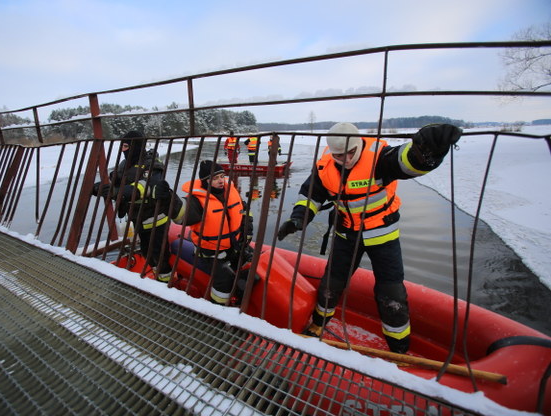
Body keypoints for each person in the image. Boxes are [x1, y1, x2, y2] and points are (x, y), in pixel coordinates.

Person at [277, 122, 462, 353]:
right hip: (346, 234)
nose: (344, 159)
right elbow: (310, 195)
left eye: (350, 153)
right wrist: (298, 219)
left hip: (382, 235)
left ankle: (399, 348)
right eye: (338, 155)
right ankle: (318, 324)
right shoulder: (324, 166)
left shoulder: (379, 158)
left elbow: (406, 162)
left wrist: (426, 150)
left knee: (391, 294)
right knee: (330, 285)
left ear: (358, 145)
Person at [92, 130, 177, 283]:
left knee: (159, 256)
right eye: (122, 146)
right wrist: (102, 188)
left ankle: (166, 284)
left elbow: (144, 187)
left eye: (125, 146)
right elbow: (118, 182)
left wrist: (118, 192)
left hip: (155, 220)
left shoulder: (152, 165)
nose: (122, 150)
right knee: (147, 252)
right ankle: (158, 276)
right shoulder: (125, 164)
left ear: (135, 146)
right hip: (138, 218)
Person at [172, 160, 253, 305]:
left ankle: (242, 301)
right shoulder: (197, 201)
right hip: (210, 253)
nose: (220, 180)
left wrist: (247, 230)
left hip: (234, 245)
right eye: (215, 178)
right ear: (205, 181)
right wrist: (170, 203)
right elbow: (182, 215)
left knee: (253, 265)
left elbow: (244, 212)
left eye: (222, 176)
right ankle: (218, 309)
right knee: (225, 280)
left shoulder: (231, 192)